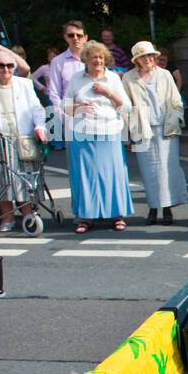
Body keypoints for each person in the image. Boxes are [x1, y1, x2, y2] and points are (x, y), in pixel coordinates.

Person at [0, 48, 48, 232]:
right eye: (0, 65)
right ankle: (7, 218)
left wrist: (39, 127)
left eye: (9, 65)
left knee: (25, 179)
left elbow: (37, 108)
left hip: (23, 138)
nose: (5, 69)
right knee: (0, 180)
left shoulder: (24, 85)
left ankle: (28, 215)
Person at [64, 40, 132, 233]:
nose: (98, 60)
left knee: (112, 174)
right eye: (94, 57)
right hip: (82, 133)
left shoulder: (113, 79)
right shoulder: (77, 79)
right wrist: (78, 107)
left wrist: (108, 92)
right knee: (86, 176)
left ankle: (117, 215)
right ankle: (86, 217)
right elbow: (64, 107)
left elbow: (126, 107)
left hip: (109, 132)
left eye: (101, 57)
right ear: (85, 59)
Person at [123, 40, 187, 225]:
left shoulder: (165, 75)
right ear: (137, 60)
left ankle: (167, 209)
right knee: (148, 170)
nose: (148, 59)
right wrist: (130, 129)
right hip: (142, 129)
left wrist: (177, 118)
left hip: (166, 127)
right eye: (144, 56)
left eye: (151, 55)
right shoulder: (128, 78)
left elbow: (176, 100)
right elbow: (126, 106)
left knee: (168, 169)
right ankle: (153, 208)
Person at [46, 20, 89, 148]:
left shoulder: (93, 59)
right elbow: (54, 92)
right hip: (71, 116)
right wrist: (62, 116)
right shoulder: (58, 61)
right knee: (76, 160)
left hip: (93, 116)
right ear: (65, 37)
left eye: (79, 35)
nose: (75, 38)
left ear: (85, 37)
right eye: (71, 35)